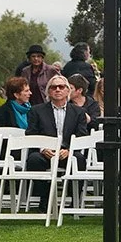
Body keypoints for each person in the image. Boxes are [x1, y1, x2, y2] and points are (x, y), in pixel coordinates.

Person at [25, 74, 89, 207]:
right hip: (45, 152)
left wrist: (69, 150)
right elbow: (31, 133)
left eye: (61, 87)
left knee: (79, 159)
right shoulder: (36, 111)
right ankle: (45, 199)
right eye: (54, 87)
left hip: (68, 151)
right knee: (33, 159)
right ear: (49, 91)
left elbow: (81, 135)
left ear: (68, 90)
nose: (58, 90)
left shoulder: (79, 112)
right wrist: (43, 149)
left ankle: (75, 199)